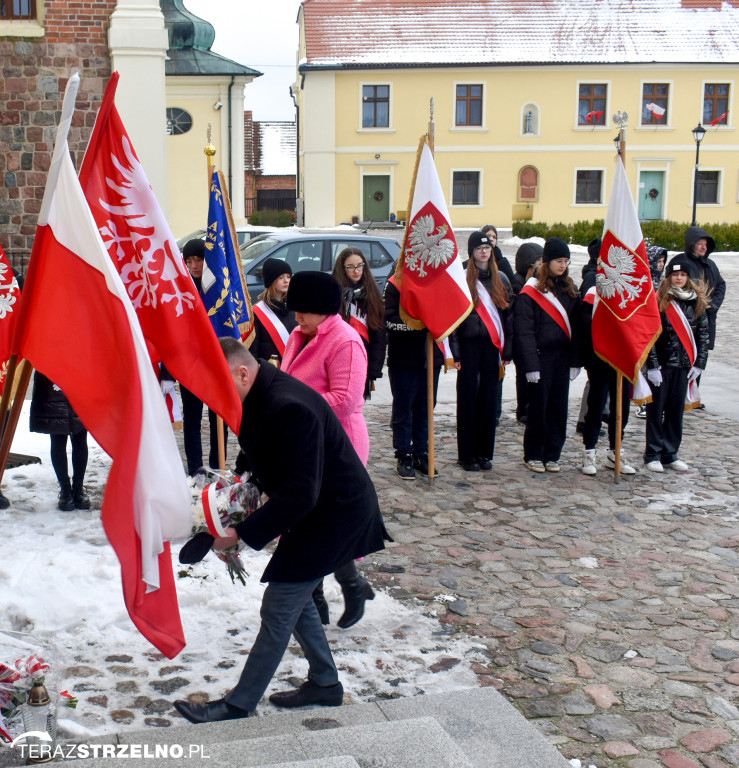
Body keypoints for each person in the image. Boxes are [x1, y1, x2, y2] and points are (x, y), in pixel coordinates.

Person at [174, 340, 387, 724]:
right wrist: (230, 498)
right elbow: (262, 454)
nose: (213, 397)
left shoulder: (288, 405)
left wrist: (239, 534)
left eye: (217, 385)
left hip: (336, 515)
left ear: (242, 372)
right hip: (316, 511)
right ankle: (325, 683)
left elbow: (300, 493)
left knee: (280, 604)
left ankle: (239, 704)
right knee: (296, 598)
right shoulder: (261, 392)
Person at [281, 271, 374, 629]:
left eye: (302, 310)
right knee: (310, 524)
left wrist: (291, 408)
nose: (296, 316)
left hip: (338, 446)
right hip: (304, 441)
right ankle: (332, 594)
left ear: (321, 309)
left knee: (324, 526)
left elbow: (345, 399)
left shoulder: (345, 341)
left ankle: (340, 590)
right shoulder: (298, 335)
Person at [515, 237, 582, 473]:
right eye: (558, 261)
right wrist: (530, 365)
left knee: (558, 407)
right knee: (538, 408)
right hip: (540, 357)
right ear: (546, 261)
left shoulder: (570, 290)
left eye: (566, 261)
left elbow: (577, 328)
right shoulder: (531, 291)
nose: (562, 265)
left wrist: (576, 361)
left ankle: (553, 454)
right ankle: (533, 453)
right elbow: (524, 331)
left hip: (562, 357)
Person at [450, 231, 513, 471]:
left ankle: (484, 452)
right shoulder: (463, 279)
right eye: (479, 248)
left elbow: (508, 318)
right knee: (468, 401)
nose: (484, 252)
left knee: (488, 400)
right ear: (472, 252)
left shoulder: (502, 280)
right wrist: (455, 353)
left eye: (487, 248)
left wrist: (508, 350)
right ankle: (466, 455)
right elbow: (454, 318)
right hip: (468, 346)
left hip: (492, 346)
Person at [643, 257, 709, 472]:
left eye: (683, 275)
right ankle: (653, 453)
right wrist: (652, 365)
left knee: (675, 411)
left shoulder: (695, 301)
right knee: (656, 410)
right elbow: (651, 335)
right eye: (675, 275)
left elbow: (703, 336)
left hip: (684, 366)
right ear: (669, 277)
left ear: (688, 278)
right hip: (662, 366)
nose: (679, 278)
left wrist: (700, 363)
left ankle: (670, 453)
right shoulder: (659, 299)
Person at [579, 240, 636, 476]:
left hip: (622, 356)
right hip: (600, 356)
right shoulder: (593, 285)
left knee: (621, 407)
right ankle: (589, 451)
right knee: (596, 405)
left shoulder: (627, 283)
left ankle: (616, 451)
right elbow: (585, 324)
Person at [384, 275, 443, 480]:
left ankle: (421, 453)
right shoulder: (394, 285)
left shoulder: (435, 282)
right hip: (404, 358)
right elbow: (390, 320)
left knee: (426, 408)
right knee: (404, 409)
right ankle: (404, 455)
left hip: (430, 359)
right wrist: (418, 324)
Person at [179, 239, 228, 476]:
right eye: (189, 261)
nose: (194, 266)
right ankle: (195, 469)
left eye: (198, 260)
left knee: (220, 417)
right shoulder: (182, 288)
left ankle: (218, 466)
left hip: (216, 362)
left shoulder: (218, 287)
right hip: (191, 363)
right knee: (192, 419)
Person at [331, 247, 387, 399]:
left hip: (362, 359)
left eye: (360, 266)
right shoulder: (333, 294)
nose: (356, 271)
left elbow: (379, 336)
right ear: (342, 269)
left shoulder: (372, 294)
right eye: (350, 267)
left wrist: (374, 370)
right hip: (338, 360)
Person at [30, 371, 90, 511]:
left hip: (78, 380)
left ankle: (77, 488)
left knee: (80, 436)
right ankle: (66, 490)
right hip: (53, 382)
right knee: (58, 436)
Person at [511, 242, 543, 424]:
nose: (541, 263)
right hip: (520, 337)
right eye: (538, 260)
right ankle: (523, 408)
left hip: (533, 336)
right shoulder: (518, 283)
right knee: (523, 376)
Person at [682, 226, 725, 356]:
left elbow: (721, 285)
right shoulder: (682, 262)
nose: (703, 247)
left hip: (707, 319)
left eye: (705, 245)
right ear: (691, 244)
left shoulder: (711, 265)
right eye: (699, 244)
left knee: (701, 356)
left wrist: (713, 305)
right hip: (689, 319)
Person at [251, 257, 296, 366]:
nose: (286, 281)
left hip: (293, 369)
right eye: (281, 277)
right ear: (271, 280)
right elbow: (253, 348)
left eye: (288, 277)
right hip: (270, 369)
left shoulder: (295, 306)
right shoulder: (258, 311)